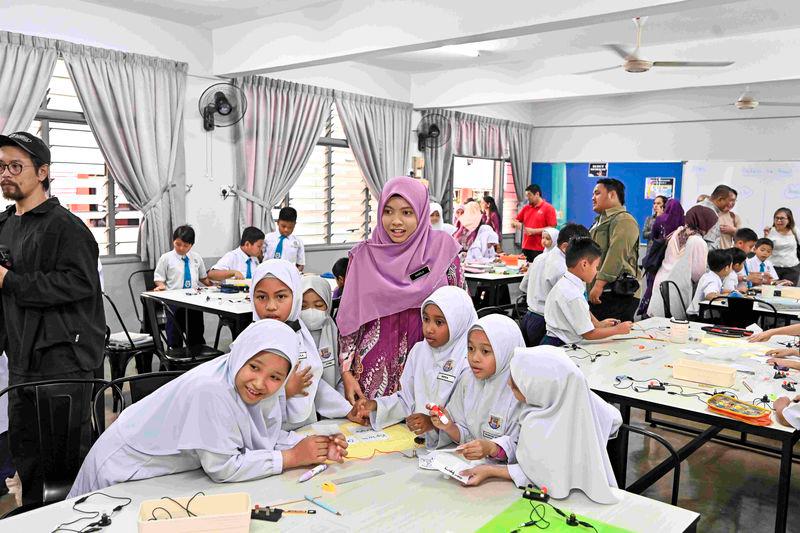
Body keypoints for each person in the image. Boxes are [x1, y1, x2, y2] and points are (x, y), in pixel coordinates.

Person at [67, 320, 348, 497]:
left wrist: (314, 445)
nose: (260, 383)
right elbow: (223, 467)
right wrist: (291, 458)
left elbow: (263, 435)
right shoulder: (211, 389)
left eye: (276, 377)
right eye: (254, 367)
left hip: (171, 472)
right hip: (125, 471)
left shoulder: (250, 382)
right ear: (241, 356)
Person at [0, 131, 105, 504]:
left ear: (42, 172)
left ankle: (75, 518)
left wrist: (10, 280)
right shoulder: (5, 225)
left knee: (66, 461)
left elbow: (79, 284)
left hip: (64, 362)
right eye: (1, 166)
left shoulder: (67, 228)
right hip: (22, 361)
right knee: (26, 453)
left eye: (16, 166)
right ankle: (33, 516)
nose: (6, 174)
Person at [338, 176, 464, 402]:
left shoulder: (444, 252)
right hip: (373, 367)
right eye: (388, 211)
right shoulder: (363, 257)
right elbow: (350, 321)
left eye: (407, 212)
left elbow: (460, 314)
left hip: (429, 363)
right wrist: (346, 373)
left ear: (421, 212)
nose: (396, 221)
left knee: (423, 430)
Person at [460, 346, 622, 505]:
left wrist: (489, 470)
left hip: (569, 504)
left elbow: (537, 474)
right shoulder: (559, 397)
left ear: (539, 385)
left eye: (517, 380)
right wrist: (493, 448)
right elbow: (614, 418)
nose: (508, 383)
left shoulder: (542, 422)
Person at [353, 286, 476, 447]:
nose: (429, 328)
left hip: (454, 449)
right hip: (418, 443)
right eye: (425, 319)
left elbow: (467, 422)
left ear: (457, 323)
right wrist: (376, 406)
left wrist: (433, 424)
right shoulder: (419, 351)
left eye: (439, 322)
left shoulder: (469, 361)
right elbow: (407, 399)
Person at [251, 261, 351, 429]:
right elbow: (242, 398)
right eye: (261, 297)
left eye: (281, 296)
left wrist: (347, 410)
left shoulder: (300, 334)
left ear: (295, 296)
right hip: (266, 432)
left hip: (303, 426)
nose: (271, 306)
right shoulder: (251, 341)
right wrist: (285, 392)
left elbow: (312, 381)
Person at [431, 314, 524, 463]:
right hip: (469, 466)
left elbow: (522, 450)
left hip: (504, 477)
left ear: (506, 352)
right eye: (470, 348)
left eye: (485, 351)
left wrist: (492, 448)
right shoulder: (468, 379)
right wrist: (449, 426)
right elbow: (466, 435)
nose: (474, 358)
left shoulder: (519, 390)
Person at [541, 237, 632, 346]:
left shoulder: (567, 283)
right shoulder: (572, 294)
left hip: (557, 340)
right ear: (584, 264)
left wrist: (599, 324)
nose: (596, 272)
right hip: (559, 345)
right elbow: (589, 334)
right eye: (596, 267)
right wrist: (617, 330)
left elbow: (581, 312)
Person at [519, 224, 588, 346]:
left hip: (528, 317)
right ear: (566, 247)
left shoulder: (539, 258)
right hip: (545, 323)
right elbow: (571, 304)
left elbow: (523, 286)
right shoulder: (565, 268)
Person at [647, 205, 718, 320]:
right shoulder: (698, 241)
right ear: (704, 221)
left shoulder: (677, 232)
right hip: (678, 287)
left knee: (657, 322)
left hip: (662, 280)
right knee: (672, 327)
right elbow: (697, 273)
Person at [588, 178, 641, 322]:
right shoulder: (599, 221)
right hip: (600, 291)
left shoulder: (624, 220)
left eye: (597, 193)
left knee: (612, 340)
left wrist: (599, 284)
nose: (593, 197)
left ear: (612, 195)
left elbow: (616, 255)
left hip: (616, 292)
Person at [153, 225, 211, 347]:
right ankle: (175, 355)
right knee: (174, 334)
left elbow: (203, 278)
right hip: (174, 302)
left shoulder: (196, 258)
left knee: (196, 333)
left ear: (191, 245)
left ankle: (195, 355)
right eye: (178, 244)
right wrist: (161, 286)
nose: (181, 248)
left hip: (194, 301)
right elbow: (159, 278)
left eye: (186, 245)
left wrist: (214, 285)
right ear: (173, 241)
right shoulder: (166, 258)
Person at [638, 198, 685, 316]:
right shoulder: (682, 223)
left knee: (652, 284)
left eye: (659, 203)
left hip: (657, 257)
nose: (656, 206)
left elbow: (653, 236)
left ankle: (647, 311)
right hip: (673, 259)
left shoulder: (659, 219)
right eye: (654, 203)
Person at [300, 276, 343, 395]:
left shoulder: (335, 331)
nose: (311, 311)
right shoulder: (292, 333)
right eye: (303, 306)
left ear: (328, 305)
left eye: (318, 305)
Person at [511, 184, 558, 263]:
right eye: (526, 195)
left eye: (529, 195)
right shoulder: (526, 208)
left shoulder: (548, 208)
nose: (527, 198)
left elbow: (552, 228)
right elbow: (514, 221)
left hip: (540, 248)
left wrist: (533, 231)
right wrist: (516, 224)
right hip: (526, 247)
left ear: (537, 194)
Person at [687, 249, 733, 320]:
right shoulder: (712, 280)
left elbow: (718, 290)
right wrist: (729, 296)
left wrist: (732, 292)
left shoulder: (710, 275)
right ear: (727, 268)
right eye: (731, 266)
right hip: (698, 317)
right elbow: (710, 295)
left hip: (700, 314)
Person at [764, 208, 800, 286]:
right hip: (773, 268)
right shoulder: (770, 230)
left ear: (789, 219)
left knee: (788, 294)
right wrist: (765, 236)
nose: (778, 221)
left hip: (792, 269)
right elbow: (764, 248)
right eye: (776, 218)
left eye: (782, 218)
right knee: (771, 293)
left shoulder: (795, 230)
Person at [264, 207, 305, 272]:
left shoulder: (298, 241)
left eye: (290, 227)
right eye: (283, 226)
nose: (286, 230)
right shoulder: (267, 238)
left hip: (288, 274)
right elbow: (259, 258)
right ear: (278, 222)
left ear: (294, 225)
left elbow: (300, 264)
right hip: (268, 273)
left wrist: (295, 273)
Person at [699, 185, 737, 250]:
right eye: (730, 200)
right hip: (708, 255)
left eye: (734, 201)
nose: (730, 204)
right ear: (720, 199)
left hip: (722, 254)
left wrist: (734, 230)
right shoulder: (707, 212)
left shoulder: (733, 216)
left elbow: (741, 238)